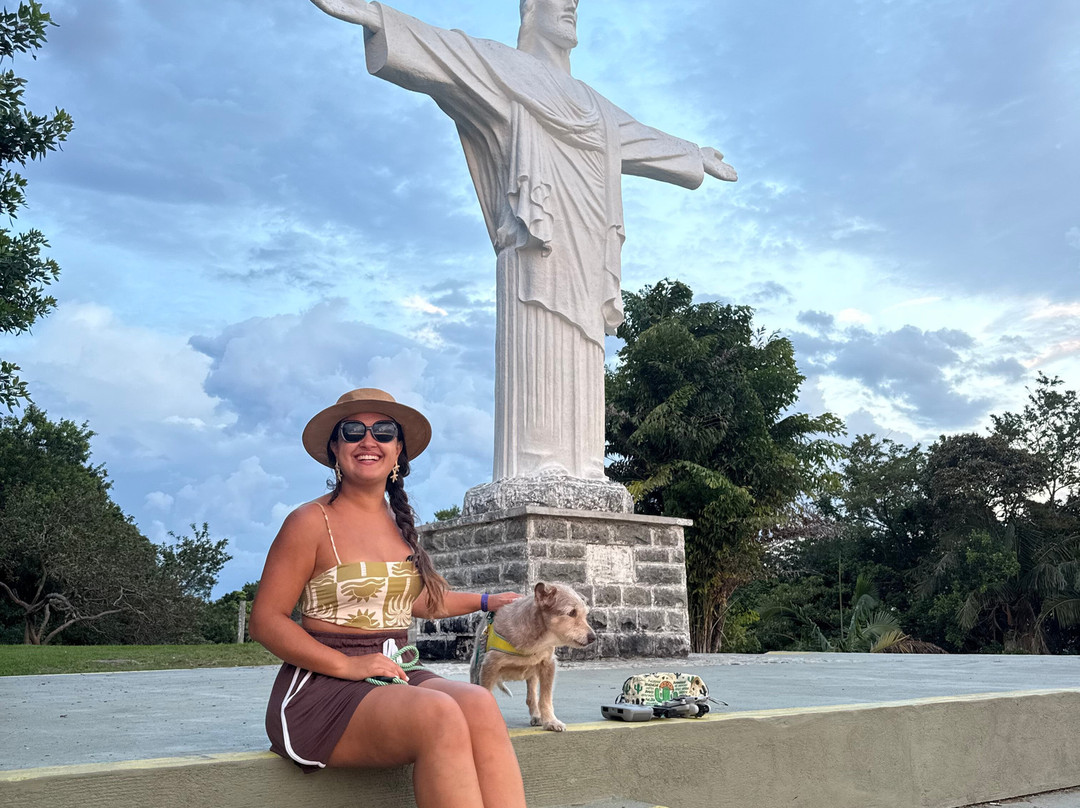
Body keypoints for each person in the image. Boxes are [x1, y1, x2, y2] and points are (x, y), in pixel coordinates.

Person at [307, 0, 737, 485]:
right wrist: (375, 15)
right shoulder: (500, 66)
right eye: (560, 1)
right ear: (529, 10)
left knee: (584, 339)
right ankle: (534, 464)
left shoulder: (592, 104)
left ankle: (585, 467)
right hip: (534, 237)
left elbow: (638, 138)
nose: (572, 8)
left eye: (576, 3)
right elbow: (441, 50)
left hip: (587, 242)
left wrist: (693, 155)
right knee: (539, 330)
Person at [249, 387, 526, 808]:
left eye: (383, 431)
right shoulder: (309, 522)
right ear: (334, 448)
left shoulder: (399, 525)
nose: (368, 440)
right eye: (353, 430)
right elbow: (266, 620)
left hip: (392, 671)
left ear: (399, 452)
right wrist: (347, 664)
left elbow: (414, 603)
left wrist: (488, 602)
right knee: (440, 713)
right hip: (324, 687)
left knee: (478, 702)